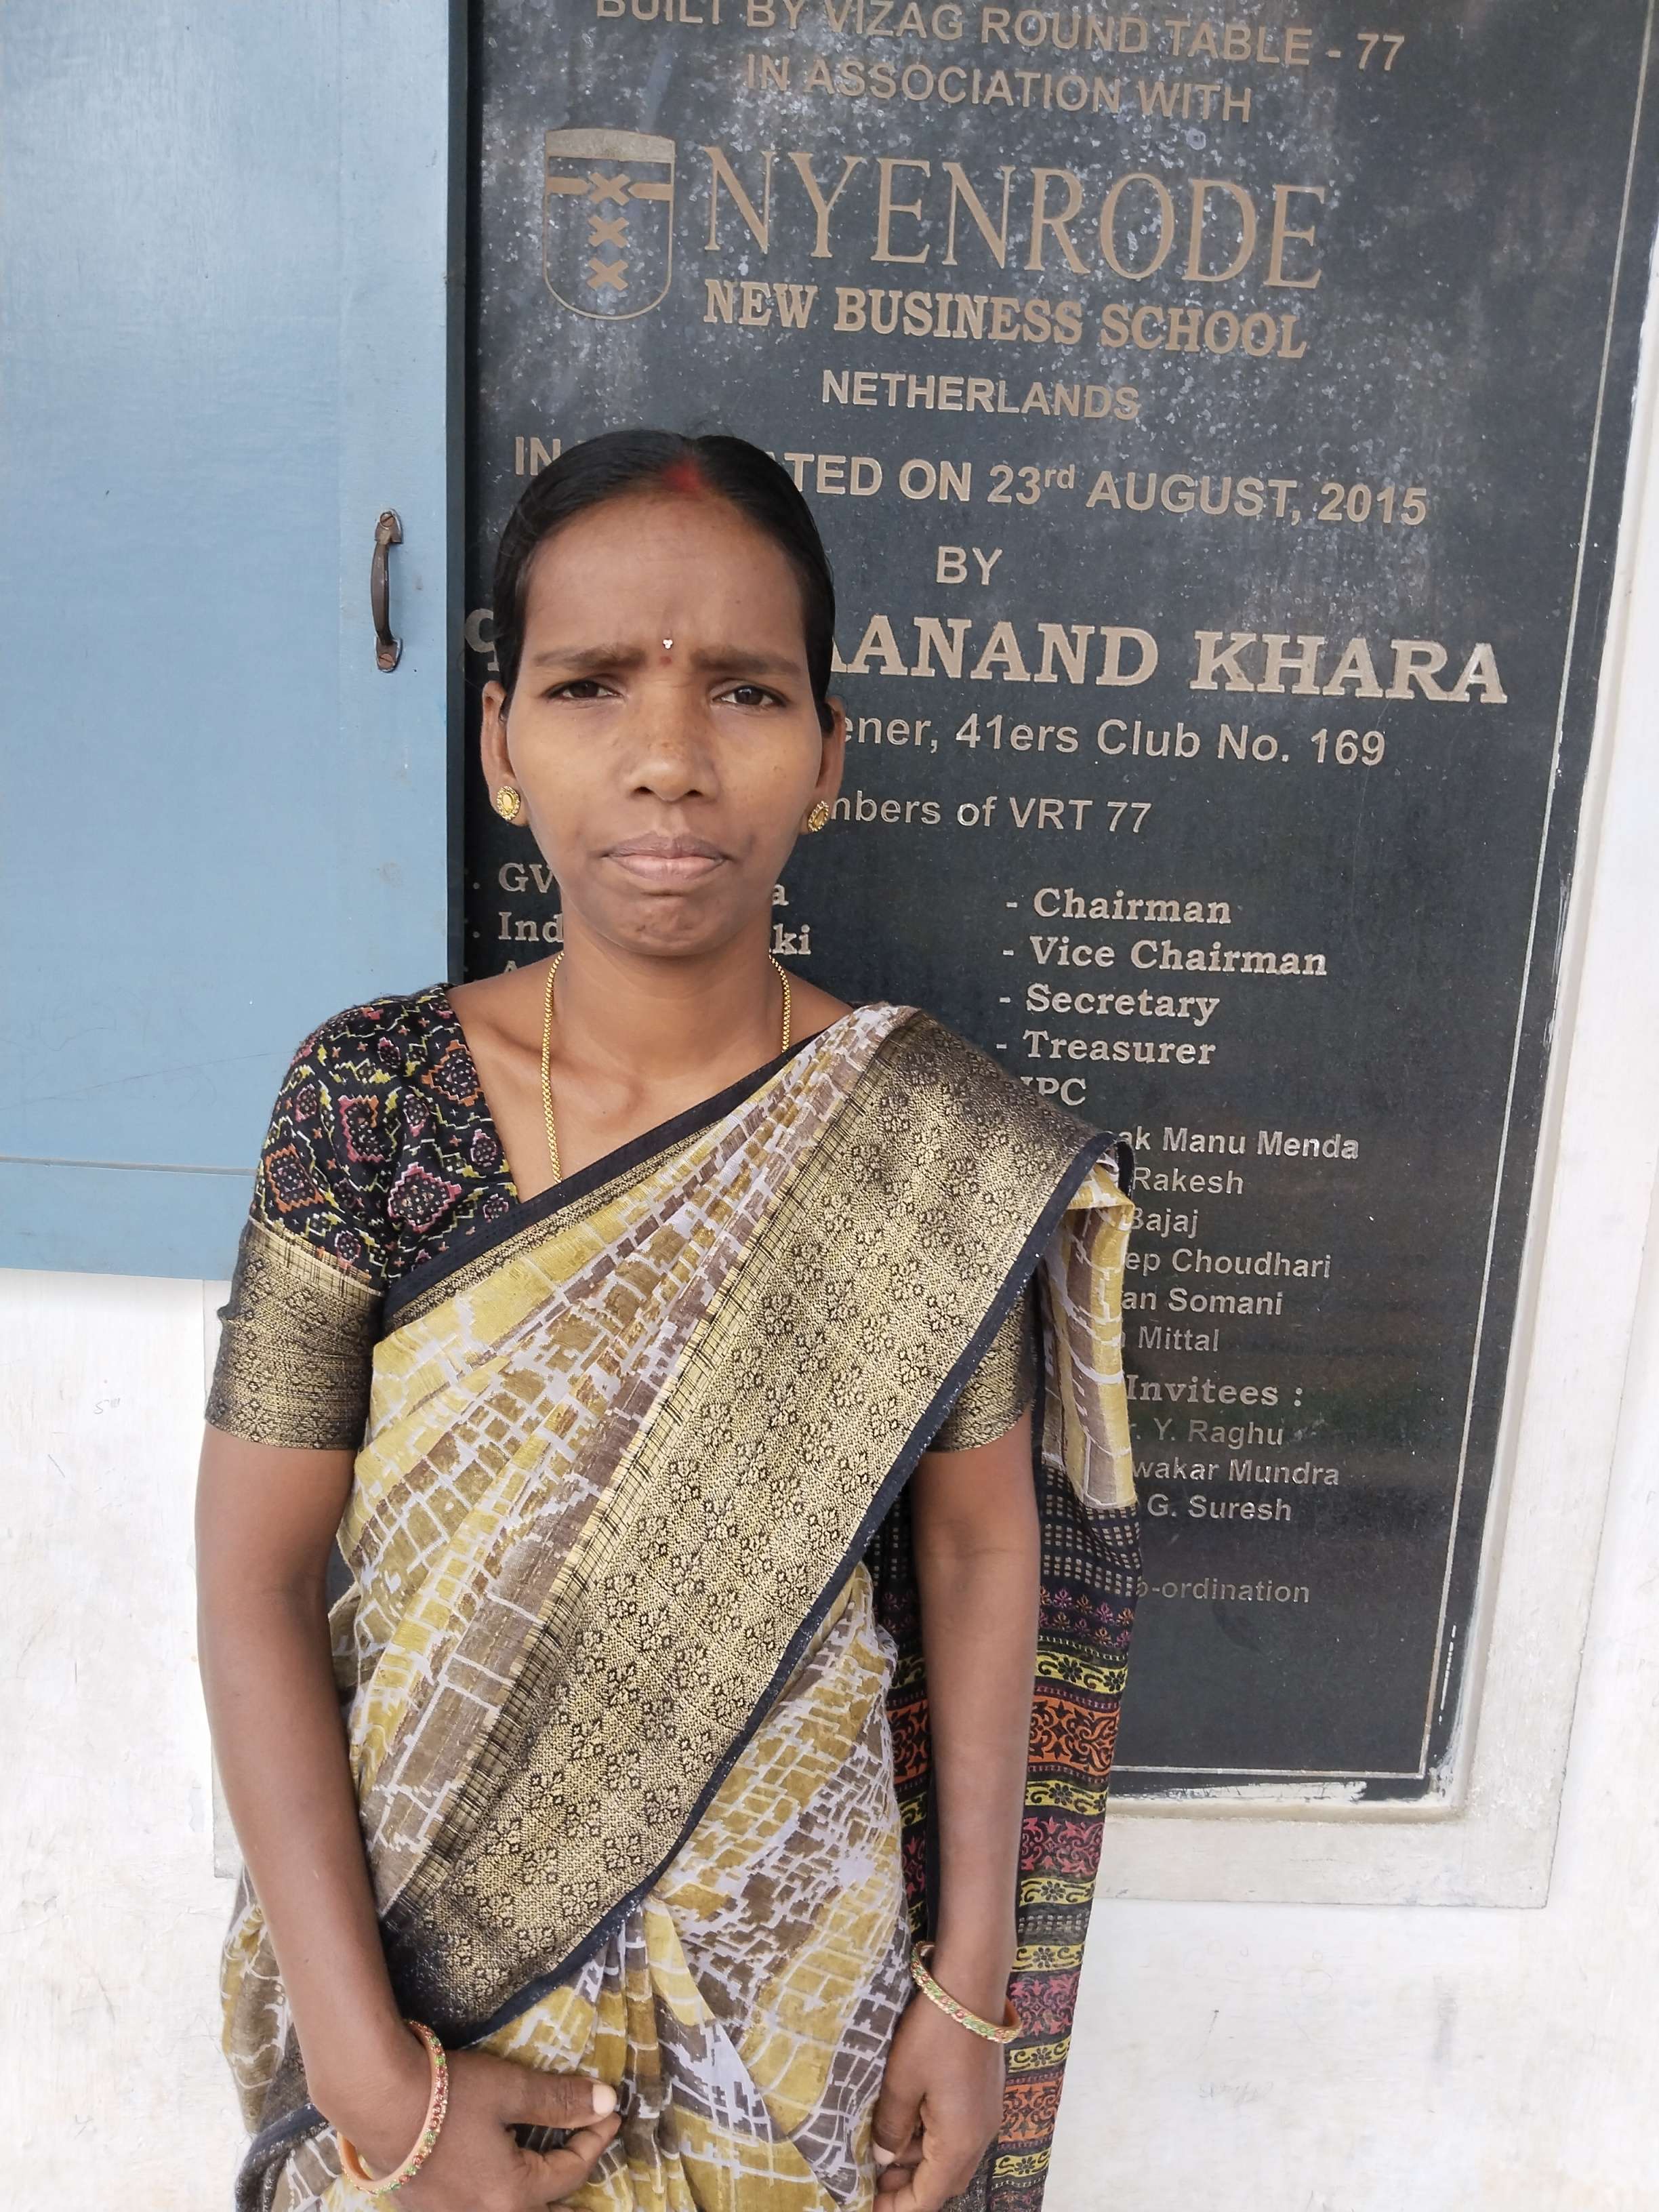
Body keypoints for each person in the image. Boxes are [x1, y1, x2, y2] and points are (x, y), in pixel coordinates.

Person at [196, 429, 1139, 2212]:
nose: (669, 757)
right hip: (423, 1976)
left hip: (801, 2000)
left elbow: (976, 1555)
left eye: (745, 692)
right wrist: (364, 2069)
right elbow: (252, 1578)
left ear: (827, 751)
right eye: (590, 686)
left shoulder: (925, 1146)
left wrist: (969, 1991)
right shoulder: (368, 1102)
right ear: (501, 744)